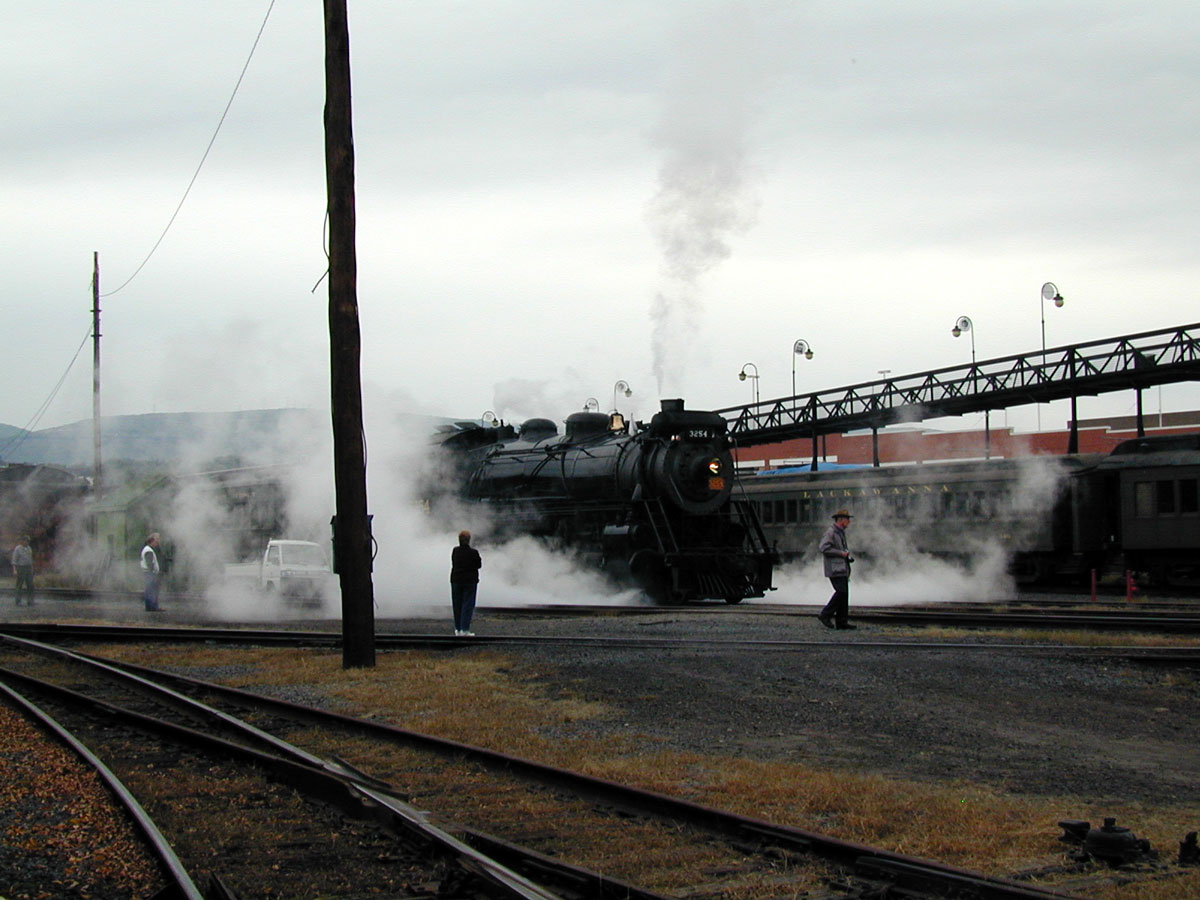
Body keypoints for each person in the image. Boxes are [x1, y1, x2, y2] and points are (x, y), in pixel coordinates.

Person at [818, 510, 855, 630]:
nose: (849, 522)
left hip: (841, 568)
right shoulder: (831, 532)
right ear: (841, 520)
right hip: (835, 568)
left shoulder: (840, 533)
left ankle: (842, 622)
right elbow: (824, 547)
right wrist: (841, 554)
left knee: (844, 595)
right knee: (841, 592)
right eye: (847, 519)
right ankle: (825, 614)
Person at [450, 530, 482, 636]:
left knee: (457, 604)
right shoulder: (474, 552)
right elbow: (478, 565)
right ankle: (465, 629)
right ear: (469, 540)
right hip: (469, 581)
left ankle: (458, 629)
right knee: (467, 605)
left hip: (456, 580)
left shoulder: (455, 551)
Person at [140, 533, 162, 611]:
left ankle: (150, 606)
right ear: (152, 541)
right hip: (150, 573)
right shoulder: (148, 550)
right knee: (151, 589)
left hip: (149, 573)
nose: (158, 542)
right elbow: (150, 563)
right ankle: (152, 607)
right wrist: (153, 572)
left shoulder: (148, 549)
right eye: (157, 540)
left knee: (150, 589)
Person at [11, 536, 34, 606]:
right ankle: (18, 601)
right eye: (26, 541)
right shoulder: (18, 549)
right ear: (23, 541)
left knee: (30, 585)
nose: (27, 542)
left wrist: (32, 568)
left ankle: (30, 601)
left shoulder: (29, 548)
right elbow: (14, 560)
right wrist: (14, 570)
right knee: (19, 585)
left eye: (28, 541)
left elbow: (30, 559)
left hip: (28, 568)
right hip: (21, 568)